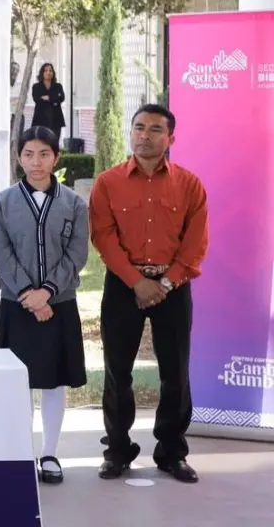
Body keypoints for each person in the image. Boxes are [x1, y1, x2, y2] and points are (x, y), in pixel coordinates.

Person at [89, 104, 208, 484]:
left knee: (176, 372)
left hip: (173, 288)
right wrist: (135, 281)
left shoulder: (190, 185)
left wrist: (165, 283)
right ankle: (118, 451)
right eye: (138, 128)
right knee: (116, 370)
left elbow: (194, 244)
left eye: (155, 129)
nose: (144, 135)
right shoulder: (108, 183)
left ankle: (172, 452)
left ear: (171, 138)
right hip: (124, 287)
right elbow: (103, 237)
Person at [0, 126, 88, 484]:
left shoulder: (74, 204)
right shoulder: (2, 203)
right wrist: (30, 293)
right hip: (18, 304)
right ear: (18, 158)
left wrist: (47, 291)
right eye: (28, 154)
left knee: (54, 381)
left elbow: (77, 253)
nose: (36, 161)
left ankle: (50, 453)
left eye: (44, 154)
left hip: (59, 303)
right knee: (19, 383)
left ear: (56, 158)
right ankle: (20, 452)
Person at [31, 63, 66, 140]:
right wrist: (54, 101)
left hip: (56, 119)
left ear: (53, 73)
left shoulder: (58, 86)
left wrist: (49, 98)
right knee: (41, 142)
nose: (48, 72)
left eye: (50, 70)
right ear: (42, 73)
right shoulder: (36, 87)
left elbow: (61, 98)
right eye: (46, 70)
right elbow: (37, 99)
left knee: (54, 142)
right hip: (40, 118)